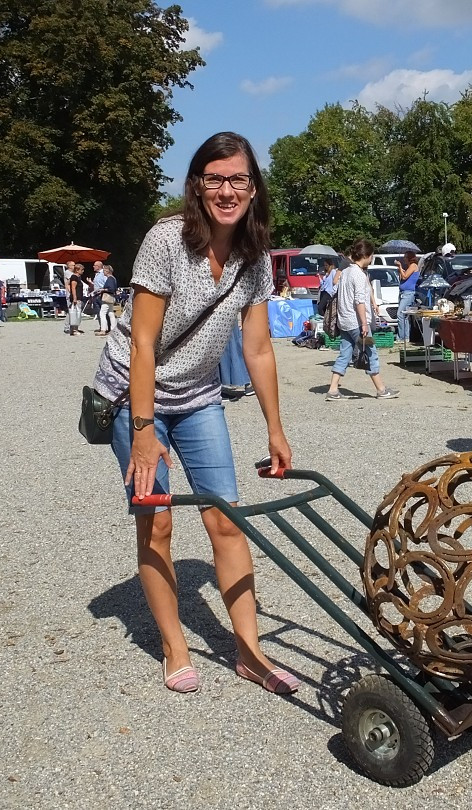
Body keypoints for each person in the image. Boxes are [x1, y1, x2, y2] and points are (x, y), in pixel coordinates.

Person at [91, 131, 297, 695]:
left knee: (226, 520)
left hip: (198, 397)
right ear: (198, 184)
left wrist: (275, 429)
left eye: (238, 179)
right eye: (215, 178)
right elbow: (141, 343)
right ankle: (174, 645)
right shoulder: (166, 241)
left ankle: (250, 653)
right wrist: (140, 433)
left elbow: (257, 348)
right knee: (156, 520)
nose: (227, 190)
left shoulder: (253, 254)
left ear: (254, 188)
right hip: (135, 394)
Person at [325, 238, 399, 402]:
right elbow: (359, 300)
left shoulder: (346, 271)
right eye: (371, 255)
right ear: (366, 255)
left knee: (344, 354)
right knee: (371, 353)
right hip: (356, 322)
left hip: (344, 320)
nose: (372, 258)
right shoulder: (358, 274)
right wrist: (364, 323)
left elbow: (338, 291)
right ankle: (381, 389)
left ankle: (333, 389)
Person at [394, 249, 419, 343]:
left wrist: (400, 266)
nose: (404, 259)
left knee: (400, 314)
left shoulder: (413, 266)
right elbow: (402, 278)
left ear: (409, 258)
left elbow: (405, 276)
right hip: (403, 292)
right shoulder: (409, 267)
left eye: (405, 257)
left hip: (408, 293)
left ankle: (402, 337)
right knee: (404, 316)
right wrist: (400, 270)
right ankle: (405, 337)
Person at [94, 264, 119, 335]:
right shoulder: (113, 278)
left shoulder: (110, 279)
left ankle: (103, 330)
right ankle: (113, 329)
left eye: (104, 271)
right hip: (111, 298)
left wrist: (103, 289)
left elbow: (111, 289)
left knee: (102, 313)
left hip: (107, 298)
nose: (103, 272)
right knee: (111, 313)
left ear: (107, 271)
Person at [66, 263, 86, 335]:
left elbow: (67, 284)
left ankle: (75, 329)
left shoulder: (77, 277)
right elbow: (73, 287)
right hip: (76, 298)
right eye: (82, 270)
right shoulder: (74, 277)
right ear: (77, 270)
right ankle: (74, 330)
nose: (83, 271)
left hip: (79, 297)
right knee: (75, 313)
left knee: (77, 313)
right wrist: (74, 297)